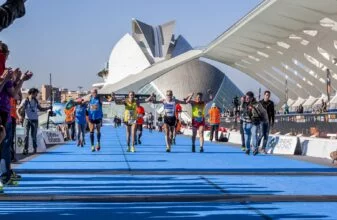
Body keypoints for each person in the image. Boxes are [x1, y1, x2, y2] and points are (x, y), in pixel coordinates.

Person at [18, 88, 51, 155]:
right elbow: (19, 109)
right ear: (32, 93)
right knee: (26, 135)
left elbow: (41, 108)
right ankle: (25, 149)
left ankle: (34, 149)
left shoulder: (36, 101)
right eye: (36, 94)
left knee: (33, 135)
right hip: (27, 120)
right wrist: (20, 116)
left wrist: (48, 108)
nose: (37, 95)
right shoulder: (25, 101)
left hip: (35, 120)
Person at [241, 91, 268, 156]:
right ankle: (248, 149)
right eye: (246, 97)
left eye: (248, 98)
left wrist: (265, 120)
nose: (247, 99)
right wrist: (242, 102)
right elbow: (241, 112)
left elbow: (263, 112)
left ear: (252, 98)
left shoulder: (257, 104)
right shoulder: (244, 104)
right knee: (247, 138)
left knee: (254, 135)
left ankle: (254, 149)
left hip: (254, 123)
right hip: (246, 123)